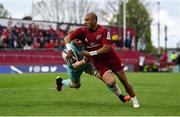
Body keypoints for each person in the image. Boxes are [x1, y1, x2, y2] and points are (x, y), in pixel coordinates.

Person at [64, 12, 140, 108]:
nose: (85, 22)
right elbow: (66, 38)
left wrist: (90, 54)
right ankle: (119, 92)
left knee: (123, 79)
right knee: (111, 82)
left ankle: (134, 100)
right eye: (85, 20)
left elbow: (106, 48)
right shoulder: (82, 31)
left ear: (94, 20)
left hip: (111, 58)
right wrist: (69, 50)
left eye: (87, 20)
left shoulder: (103, 30)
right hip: (99, 62)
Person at [56, 38, 131, 103]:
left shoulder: (85, 42)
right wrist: (79, 62)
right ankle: (61, 82)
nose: (79, 42)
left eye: (80, 40)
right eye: (77, 40)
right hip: (75, 70)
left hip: (87, 65)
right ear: (72, 41)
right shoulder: (68, 51)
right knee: (76, 85)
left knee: (103, 76)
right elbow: (74, 65)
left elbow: (93, 53)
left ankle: (121, 96)